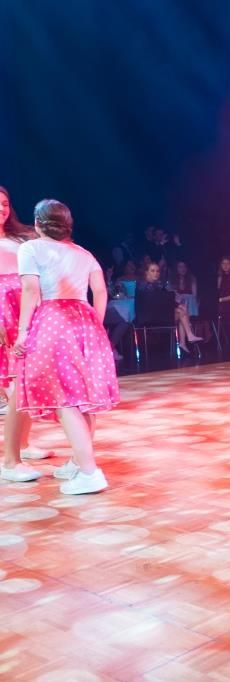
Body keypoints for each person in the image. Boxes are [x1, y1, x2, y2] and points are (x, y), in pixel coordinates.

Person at [13, 200, 119, 494]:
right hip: (86, 320)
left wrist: (22, 332)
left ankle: (89, 472)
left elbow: (31, 290)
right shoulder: (83, 253)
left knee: (64, 398)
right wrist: (96, 325)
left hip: (54, 319)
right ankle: (78, 462)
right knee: (83, 396)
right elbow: (100, 291)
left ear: (38, 223)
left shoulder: (31, 249)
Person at [0, 188, 54, 482]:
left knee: (28, 379)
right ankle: (10, 460)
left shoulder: (22, 238)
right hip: (3, 312)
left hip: (24, 306)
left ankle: (22, 444)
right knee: (15, 385)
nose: (2, 209)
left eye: (5, 204)